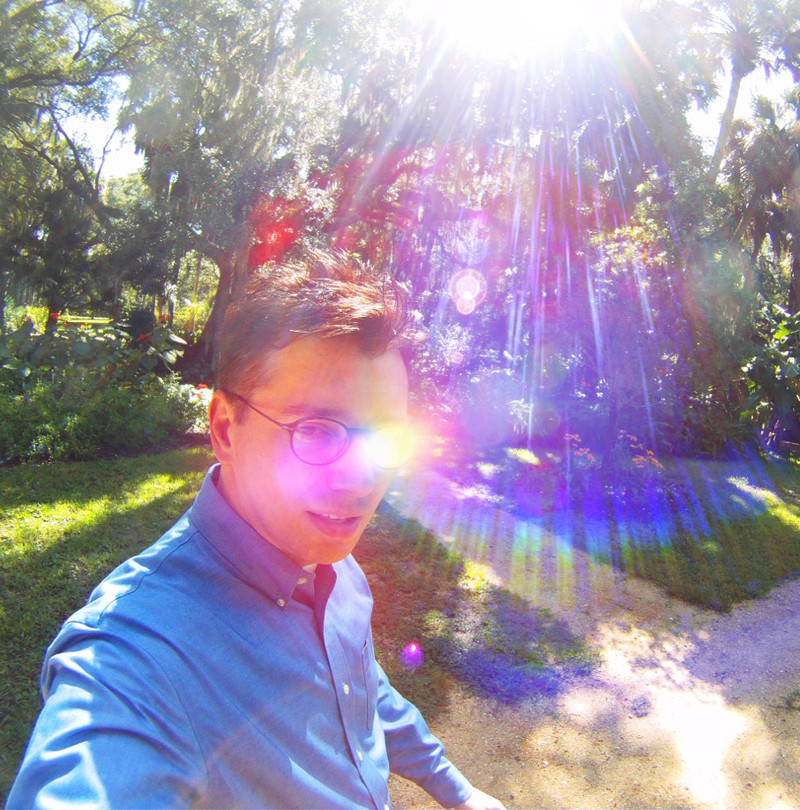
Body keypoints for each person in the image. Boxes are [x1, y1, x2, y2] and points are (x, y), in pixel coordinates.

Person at [7, 251, 505, 810]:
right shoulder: (136, 657)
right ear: (225, 428)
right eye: (316, 430)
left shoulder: (334, 567)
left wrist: (458, 791)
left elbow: (361, 688)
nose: (362, 480)